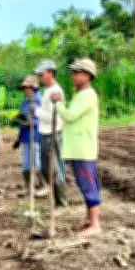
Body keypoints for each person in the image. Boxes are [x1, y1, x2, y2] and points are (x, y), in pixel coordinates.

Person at [50, 58, 101, 238]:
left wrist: (58, 104)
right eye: (73, 72)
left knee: (88, 184)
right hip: (80, 149)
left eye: (76, 73)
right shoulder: (81, 95)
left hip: (83, 150)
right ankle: (89, 219)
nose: (73, 76)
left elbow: (70, 116)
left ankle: (95, 224)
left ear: (87, 76)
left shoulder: (87, 95)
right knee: (85, 183)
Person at [32, 60, 68, 209]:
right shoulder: (47, 90)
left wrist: (36, 111)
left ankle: (62, 203)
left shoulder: (55, 91)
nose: (40, 75)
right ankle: (55, 200)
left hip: (53, 133)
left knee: (56, 168)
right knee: (46, 168)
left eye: (43, 73)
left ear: (51, 73)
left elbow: (53, 116)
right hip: (45, 133)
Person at [12, 75, 47, 197]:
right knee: (26, 164)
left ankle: (44, 186)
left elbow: (41, 119)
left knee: (36, 162)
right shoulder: (25, 101)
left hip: (35, 135)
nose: (25, 90)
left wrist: (29, 121)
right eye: (24, 88)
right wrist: (19, 138)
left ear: (34, 87)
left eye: (27, 87)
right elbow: (24, 122)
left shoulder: (39, 101)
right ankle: (28, 188)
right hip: (26, 136)